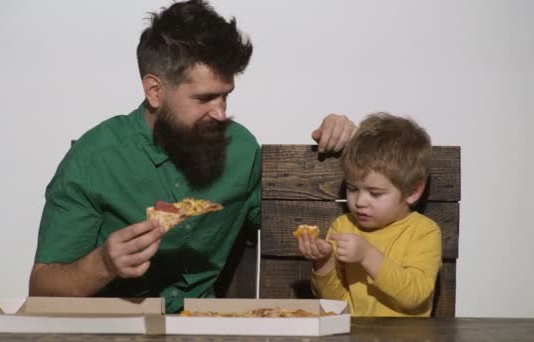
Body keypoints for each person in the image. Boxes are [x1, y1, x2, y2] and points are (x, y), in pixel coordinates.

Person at [29, 0, 356, 313]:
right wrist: (103, 264)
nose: (221, 113)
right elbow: (41, 287)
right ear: (155, 91)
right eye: (205, 98)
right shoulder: (93, 160)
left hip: (202, 325)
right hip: (113, 326)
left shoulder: (241, 150)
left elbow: (294, 220)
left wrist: (347, 146)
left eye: (226, 96)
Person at [297, 112, 442, 317]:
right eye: (352, 189)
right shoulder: (343, 226)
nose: (360, 202)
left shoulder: (423, 232)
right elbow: (336, 303)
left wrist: (367, 255)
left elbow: (416, 295)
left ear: (412, 192)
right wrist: (325, 261)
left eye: (375, 193)